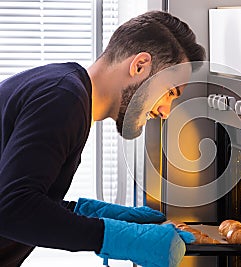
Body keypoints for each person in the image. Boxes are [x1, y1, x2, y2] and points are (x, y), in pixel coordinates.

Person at [0, 10, 205, 267]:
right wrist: (123, 238)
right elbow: (11, 209)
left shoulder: (65, 90)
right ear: (139, 65)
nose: (166, 112)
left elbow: (22, 197)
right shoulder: (63, 100)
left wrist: (105, 216)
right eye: (170, 92)